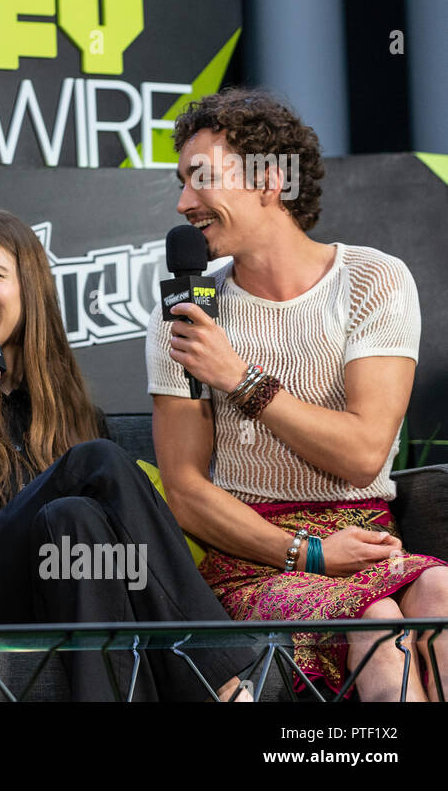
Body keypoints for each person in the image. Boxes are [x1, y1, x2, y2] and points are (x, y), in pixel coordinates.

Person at [0, 209, 256, 701]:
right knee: (99, 462)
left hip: (53, 592)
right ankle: (222, 679)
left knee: (75, 517)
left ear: (30, 288)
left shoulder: (71, 409)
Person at [149, 88, 447, 701]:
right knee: (376, 623)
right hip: (256, 555)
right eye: (180, 183)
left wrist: (240, 379)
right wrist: (308, 554)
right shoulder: (185, 316)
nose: (183, 203)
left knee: (442, 597)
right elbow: (183, 491)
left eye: (200, 179)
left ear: (270, 179)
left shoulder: (373, 279)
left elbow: (365, 453)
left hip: (367, 536)